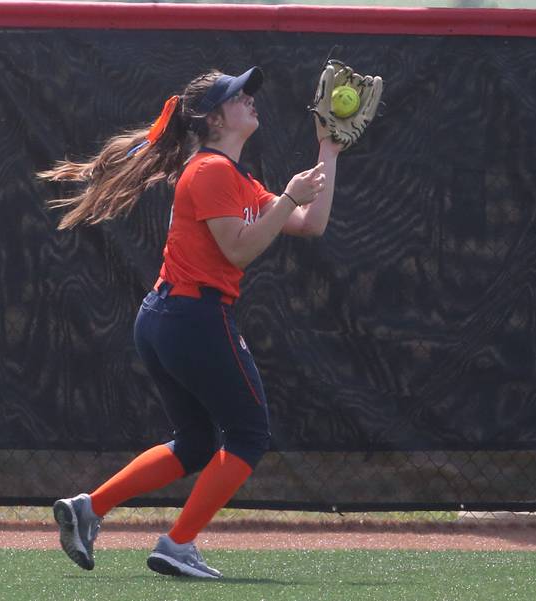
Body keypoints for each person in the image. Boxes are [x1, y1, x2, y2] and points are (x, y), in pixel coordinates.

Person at [38, 66, 342, 578]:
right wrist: (288, 196)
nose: (248, 98)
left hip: (169, 317)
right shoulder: (210, 172)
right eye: (235, 96)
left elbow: (310, 224)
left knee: (198, 441)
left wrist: (329, 151)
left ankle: (89, 508)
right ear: (213, 119)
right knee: (248, 434)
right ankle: (177, 545)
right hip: (191, 316)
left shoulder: (236, 177)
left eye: (246, 92)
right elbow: (239, 250)